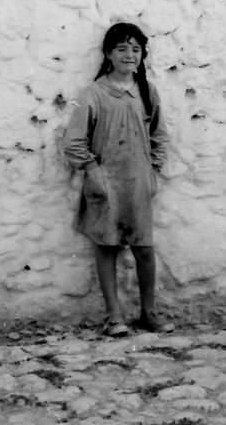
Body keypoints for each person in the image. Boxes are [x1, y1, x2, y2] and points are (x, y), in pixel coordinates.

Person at [63, 22, 169, 336]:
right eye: (122, 48)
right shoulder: (93, 94)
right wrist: (93, 172)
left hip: (138, 183)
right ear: (109, 54)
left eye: (135, 49)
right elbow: (73, 142)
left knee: (144, 249)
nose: (129, 55)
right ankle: (114, 316)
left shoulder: (147, 92)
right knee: (107, 247)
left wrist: (153, 170)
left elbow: (160, 136)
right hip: (105, 183)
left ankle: (148, 313)